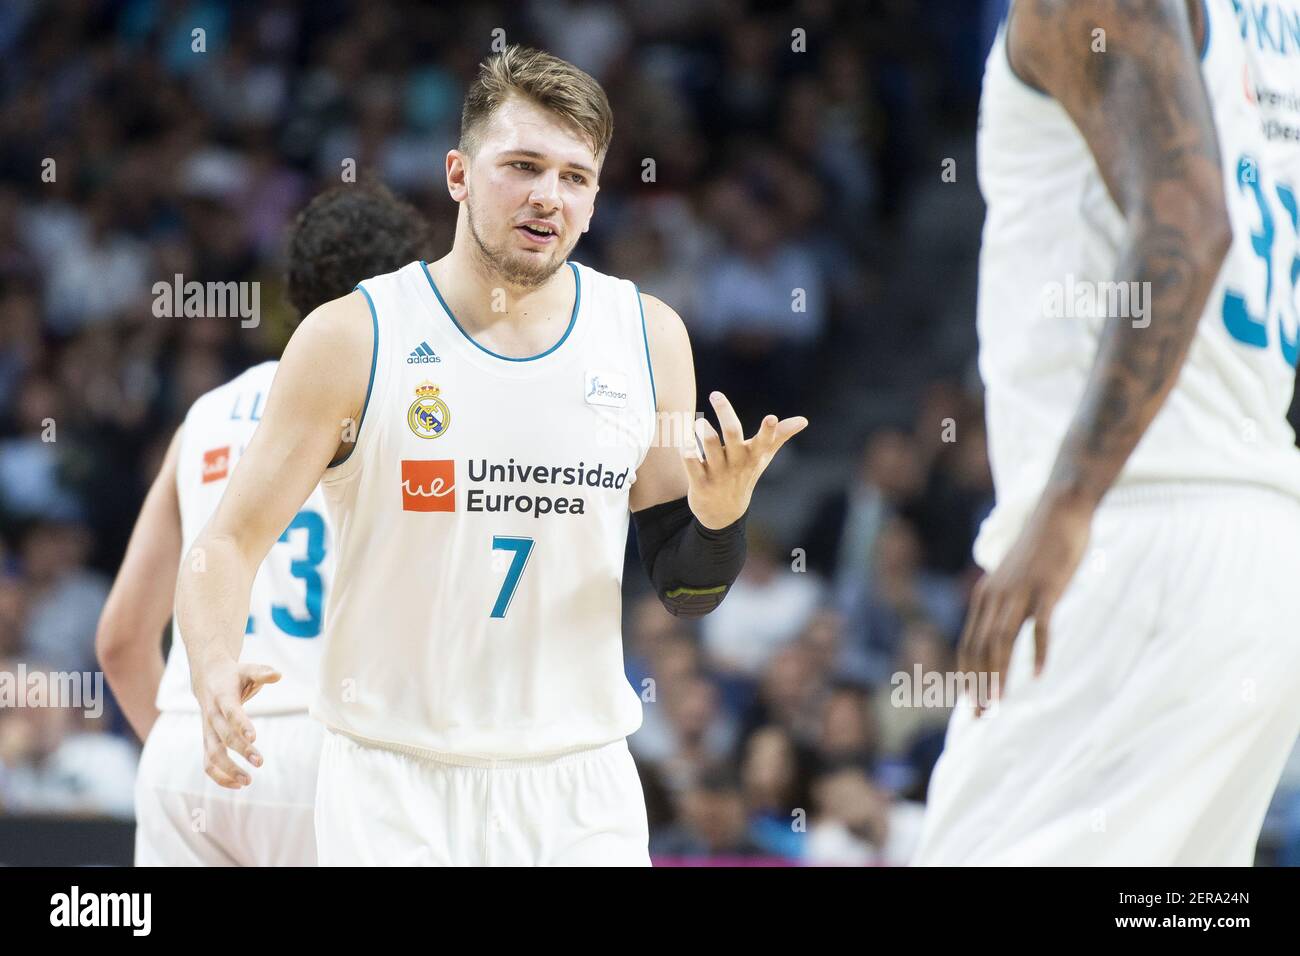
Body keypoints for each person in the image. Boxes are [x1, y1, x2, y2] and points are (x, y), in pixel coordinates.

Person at [174, 45, 808, 867]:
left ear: (594, 198)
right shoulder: (355, 337)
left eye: (575, 177)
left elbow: (685, 590)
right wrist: (213, 665)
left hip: (579, 781)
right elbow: (226, 542)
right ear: (458, 175)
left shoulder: (648, 336)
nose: (548, 195)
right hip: (392, 776)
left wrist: (720, 520)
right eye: (523, 166)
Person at [916, 0, 1300, 866]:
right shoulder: (1275, 33)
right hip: (1262, 537)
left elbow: (1189, 226)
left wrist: (1070, 498)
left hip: (1135, 536)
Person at [96, 182, 429, 866]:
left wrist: (199, 746)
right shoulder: (411, 413)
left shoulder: (206, 414)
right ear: (406, 297)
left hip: (193, 743)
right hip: (336, 748)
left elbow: (122, 641)